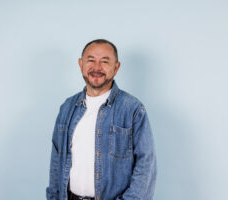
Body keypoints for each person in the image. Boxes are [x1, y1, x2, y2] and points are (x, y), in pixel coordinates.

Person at [46, 39, 157, 200]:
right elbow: (56, 161)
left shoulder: (132, 109)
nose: (96, 67)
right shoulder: (67, 107)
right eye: (90, 60)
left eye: (105, 61)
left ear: (116, 67)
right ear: (81, 64)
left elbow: (146, 166)